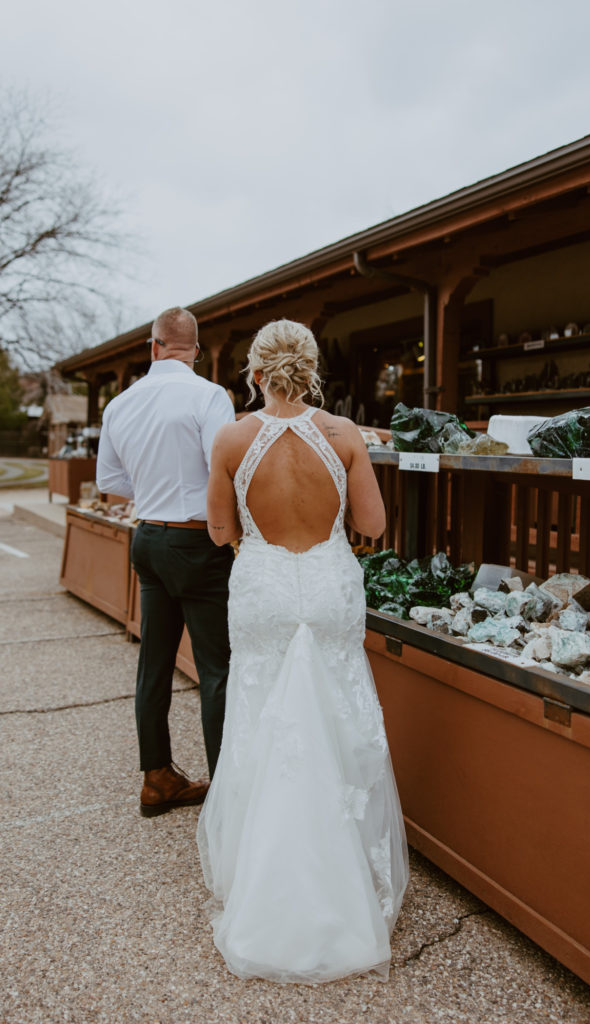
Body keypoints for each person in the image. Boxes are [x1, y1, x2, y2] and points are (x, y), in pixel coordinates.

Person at [196, 319, 409, 984]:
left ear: (254, 371)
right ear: (313, 366)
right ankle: (345, 881)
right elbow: (372, 526)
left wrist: (253, 540)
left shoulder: (232, 435)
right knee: (338, 717)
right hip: (325, 582)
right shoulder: (344, 435)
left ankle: (264, 884)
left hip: (260, 586)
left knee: (262, 721)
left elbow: (218, 528)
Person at [96, 306, 235, 817]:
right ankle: (225, 792)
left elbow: (109, 483)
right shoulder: (209, 396)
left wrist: (155, 488)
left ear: (152, 347)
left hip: (147, 539)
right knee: (216, 668)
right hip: (196, 545)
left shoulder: (121, 403)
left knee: (153, 665)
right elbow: (224, 474)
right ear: (195, 351)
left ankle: (157, 779)